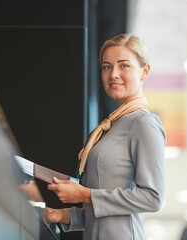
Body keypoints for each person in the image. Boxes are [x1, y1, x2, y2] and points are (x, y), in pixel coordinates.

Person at [44, 33, 166, 240]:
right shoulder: (113, 125)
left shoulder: (144, 123)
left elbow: (152, 198)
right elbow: (107, 209)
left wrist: (84, 194)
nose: (113, 74)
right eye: (107, 66)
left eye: (124, 66)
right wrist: (65, 215)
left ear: (144, 72)